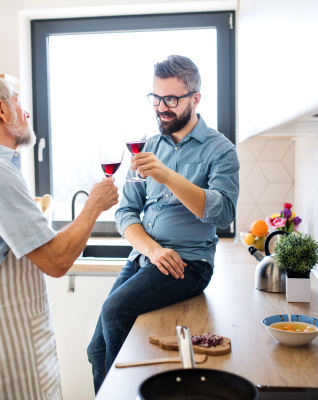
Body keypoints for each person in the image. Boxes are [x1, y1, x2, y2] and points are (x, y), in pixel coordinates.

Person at [0, 75, 118, 400]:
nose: (26, 111)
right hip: (4, 342)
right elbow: (56, 260)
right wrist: (94, 205)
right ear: (1, 109)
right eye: (18, 100)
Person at [87, 55, 240, 392]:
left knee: (115, 312)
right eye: (156, 98)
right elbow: (126, 212)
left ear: (195, 98)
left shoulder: (220, 150)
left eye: (171, 99)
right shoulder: (148, 147)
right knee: (95, 349)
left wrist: (168, 175)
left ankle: (124, 394)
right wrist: (153, 250)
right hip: (148, 258)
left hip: (190, 263)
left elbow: (224, 213)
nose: (161, 108)